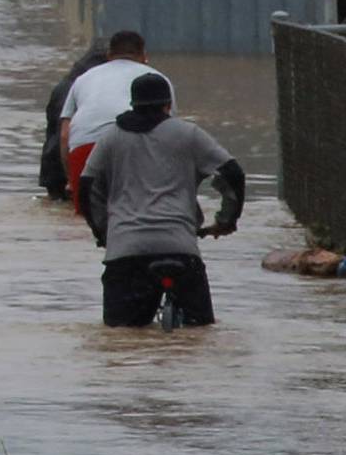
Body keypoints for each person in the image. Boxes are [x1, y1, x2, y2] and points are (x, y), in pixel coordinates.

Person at [80, 72, 244, 327]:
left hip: (126, 252)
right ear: (168, 105)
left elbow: (87, 187)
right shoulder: (188, 133)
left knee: (121, 339)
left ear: (132, 104)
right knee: (198, 334)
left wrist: (103, 232)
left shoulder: (111, 138)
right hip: (180, 249)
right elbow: (232, 173)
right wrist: (225, 220)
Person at [58, 29, 168, 211]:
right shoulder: (158, 80)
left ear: (109, 55)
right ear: (144, 56)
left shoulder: (82, 79)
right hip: (134, 152)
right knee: (137, 213)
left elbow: (64, 135)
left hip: (84, 151)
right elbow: (167, 132)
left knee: (87, 218)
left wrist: (71, 180)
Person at [41, 42, 106, 200]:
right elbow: (65, 134)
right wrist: (71, 178)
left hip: (53, 167)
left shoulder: (66, 85)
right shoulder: (83, 89)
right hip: (67, 167)